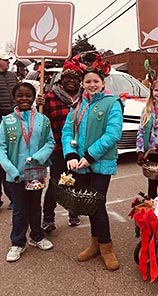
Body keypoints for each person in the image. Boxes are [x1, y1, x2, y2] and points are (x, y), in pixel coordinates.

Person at [61, 55, 123, 271]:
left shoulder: (112, 103)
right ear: (83, 84)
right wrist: (70, 154)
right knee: (88, 205)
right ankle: (95, 243)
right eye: (88, 81)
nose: (92, 85)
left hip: (100, 163)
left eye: (95, 81)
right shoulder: (77, 104)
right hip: (79, 164)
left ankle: (107, 247)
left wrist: (89, 156)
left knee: (97, 205)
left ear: (103, 83)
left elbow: (113, 133)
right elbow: (67, 130)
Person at [0, 82, 55, 262]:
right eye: (20, 95)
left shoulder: (42, 120)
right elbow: (1, 148)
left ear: (33, 98)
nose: (24, 98)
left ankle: (37, 237)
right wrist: (10, 169)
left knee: (35, 207)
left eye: (28, 95)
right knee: (19, 209)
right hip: (15, 174)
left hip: (36, 172)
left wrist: (39, 157)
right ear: (14, 98)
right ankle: (17, 242)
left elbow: (50, 142)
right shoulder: (6, 121)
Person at [37, 57, 84, 232]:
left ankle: (74, 212)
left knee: (76, 182)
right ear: (62, 79)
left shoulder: (84, 99)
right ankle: (48, 218)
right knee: (56, 184)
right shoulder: (49, 97)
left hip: (78, 149)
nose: (71, 81)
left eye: (75, 78)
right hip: (57, 148)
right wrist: (37, 107)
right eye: (68, 77)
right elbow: (41, 122)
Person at [0, 53, 17, 209]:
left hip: (12, 118)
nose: (7, 63)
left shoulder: (12, 75)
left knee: (10, 159)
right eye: (5, 60)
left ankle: (13, 196)